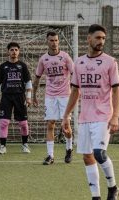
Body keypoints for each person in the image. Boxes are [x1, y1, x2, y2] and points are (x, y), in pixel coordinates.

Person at [61, 24, 119, 200]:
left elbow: (117, 90)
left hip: (103, 115)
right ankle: (96, 196)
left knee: (99, 153)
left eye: (103, 38)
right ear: (88, 38)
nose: (101, 41)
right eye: (97, 38)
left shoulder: (110, 62)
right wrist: (66, 116)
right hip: (84, 117)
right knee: (87, 157)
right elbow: (75, 91)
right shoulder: (79, 62)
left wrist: (116, 116)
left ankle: (113, 187)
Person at [33, 31, 74, 165]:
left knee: (65, 126)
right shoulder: (43, 59)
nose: (54, 43)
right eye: (51, 40)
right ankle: (50, 155)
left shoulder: (66, 57)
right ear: (47, 42)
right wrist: (33, 95)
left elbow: (75, 74)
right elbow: (37, 78)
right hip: (50, 95)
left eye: (56, 40)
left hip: (65, 96)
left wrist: (76, 92)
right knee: (50, 123)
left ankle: (69, 148)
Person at [0, 42, 32, 154]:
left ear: (19, 51)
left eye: (16, 50)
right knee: (3, 122)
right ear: (8, 51)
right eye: (12, 50)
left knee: (23, 123)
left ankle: (25, 145)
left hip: (20, 96)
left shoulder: (22, 66)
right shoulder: (3, 66)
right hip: (6, 97)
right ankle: (3, 146)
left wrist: (28, 97)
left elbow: (28, 82)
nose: (14, 52)